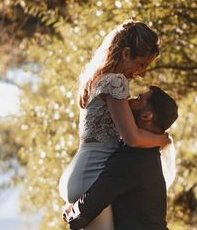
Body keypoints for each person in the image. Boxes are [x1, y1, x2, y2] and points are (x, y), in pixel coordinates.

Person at [58, 19, 171, 230]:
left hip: (80, 171)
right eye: (141, 64)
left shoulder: (99, 79)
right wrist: (162, 140)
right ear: (126, 53)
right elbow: (133, 138)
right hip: (91, 177)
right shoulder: (116, 82)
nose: (142, 72)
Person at [63, 86, 178, 230]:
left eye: (138, 99)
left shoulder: (134, 158)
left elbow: (93, 202)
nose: (130, 101)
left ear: (147, 116)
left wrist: (70, 213)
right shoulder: (146, 154)